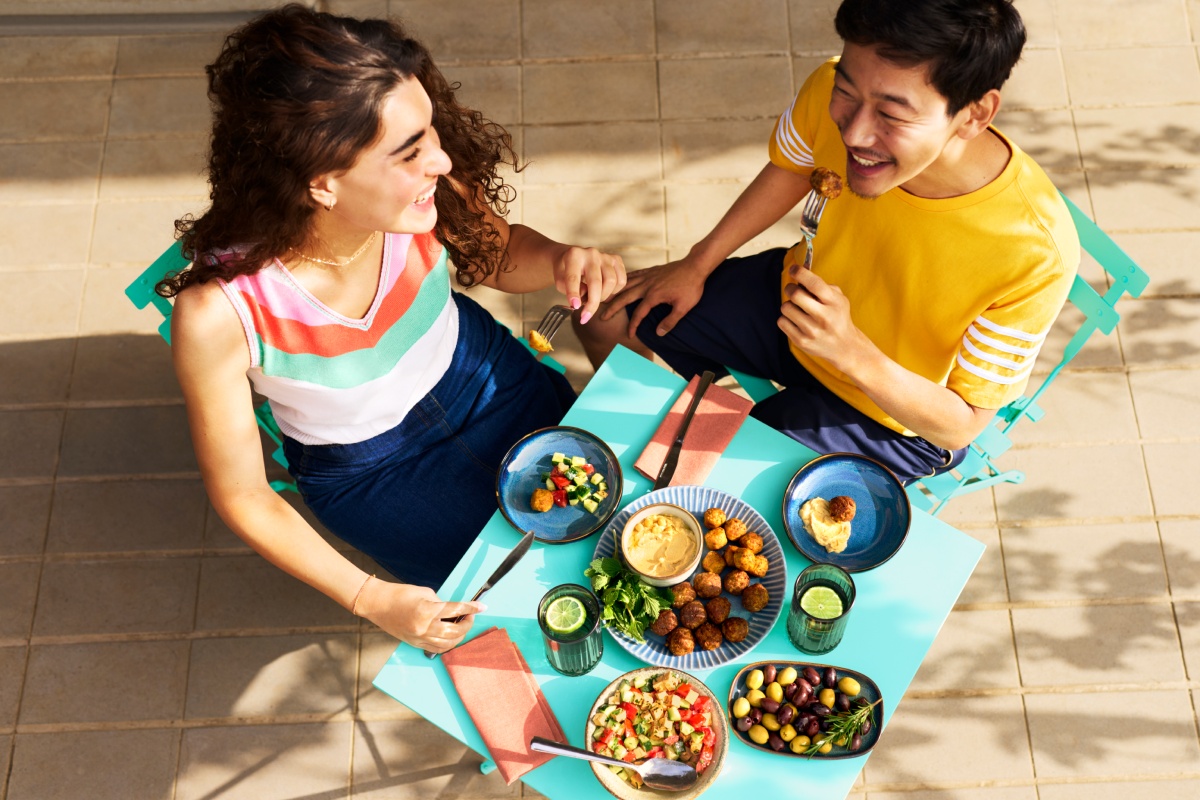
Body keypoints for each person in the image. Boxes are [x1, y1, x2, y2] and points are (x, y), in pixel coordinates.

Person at [158, 4, 625, 653]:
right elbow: (243, 494)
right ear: (323, 182)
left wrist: (557, 260)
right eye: (409, 152)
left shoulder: (425, 196)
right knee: (519, 605)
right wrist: (369, 597)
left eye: (429, 131)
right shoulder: (219, 315)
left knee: (609, 526)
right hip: (377, 477)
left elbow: (497, 254)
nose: (439, 159)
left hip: (489, 378)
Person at [576, 0, 1079, 485]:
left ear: (974, 114)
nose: (856, 133)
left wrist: (852, 352)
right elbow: (793, 168)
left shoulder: (1033, 251)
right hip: (794, 305)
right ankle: (637, 452)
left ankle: (672, 465)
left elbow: (962, 425)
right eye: (849, 93)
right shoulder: (826, 86)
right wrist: (698, 262)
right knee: (607, 317)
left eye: (893, 114)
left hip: (892, 413)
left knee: (708, 488)